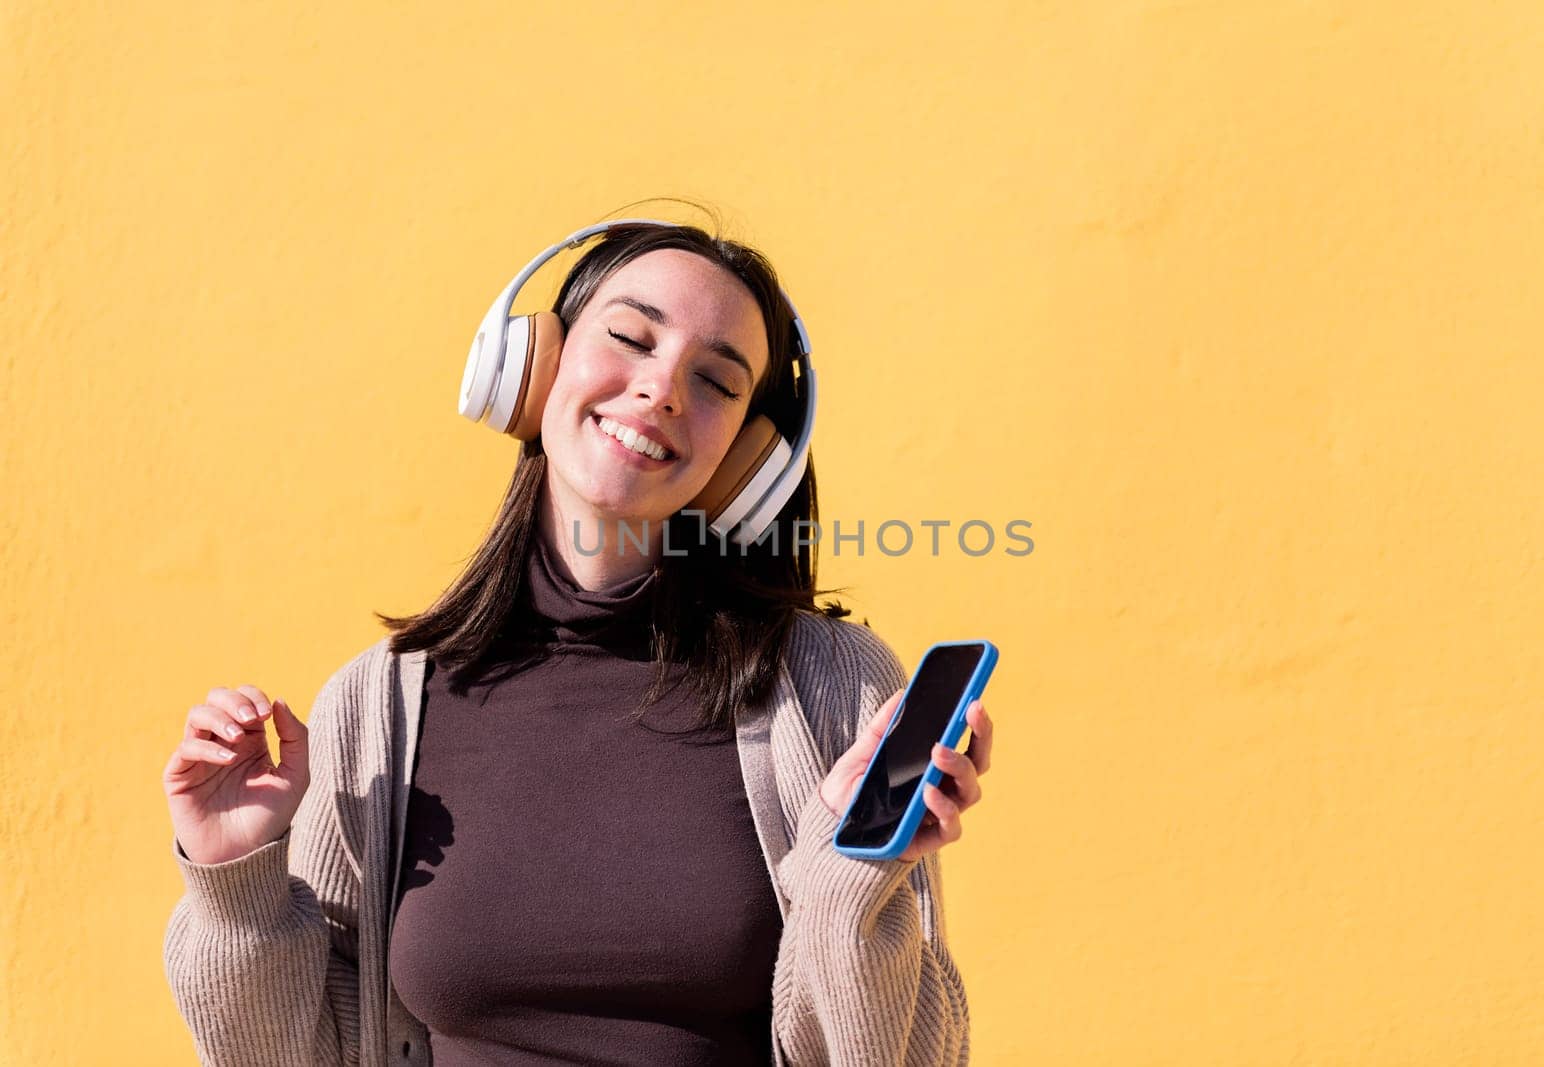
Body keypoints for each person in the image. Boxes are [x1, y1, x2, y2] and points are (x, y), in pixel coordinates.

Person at [161, 220, 995, 1066]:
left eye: (715, 381)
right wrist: (238, 890)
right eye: (630, 337)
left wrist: (847, 873)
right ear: (531, 367)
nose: (663, 388)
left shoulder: (829, 692)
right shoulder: (374, 704)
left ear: (750, 463)